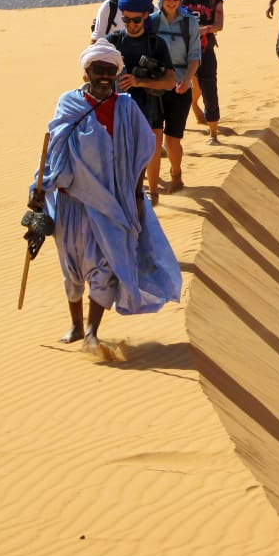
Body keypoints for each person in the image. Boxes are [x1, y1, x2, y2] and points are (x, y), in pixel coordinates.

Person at [25, 38, 181, 356]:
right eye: (98, 70)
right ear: (86, 73)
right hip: (71, 202)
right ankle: (75, 326)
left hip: (113, 203)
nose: (104, 76)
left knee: (105, 266)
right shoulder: (68, 104)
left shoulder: (126, 108)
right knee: (71, 267)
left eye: (109, 70)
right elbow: (52, 150)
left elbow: (143, 149)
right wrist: (38, 188)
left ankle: (92, 332)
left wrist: (137, 193)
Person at [106, 0, 176, 204]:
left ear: (146, 16)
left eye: (136, 20)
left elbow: (170, 81)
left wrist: (140, 82)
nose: (131, 24)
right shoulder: (113, 42)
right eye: (126, 19)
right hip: (118, 109)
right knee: (120, 154)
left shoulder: (156, 44)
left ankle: (153, 194)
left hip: (150, 106)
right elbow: (88, 73)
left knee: (153, 150)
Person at [149, 0, 201, 196]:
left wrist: (188, 79)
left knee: (172, 140)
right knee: (154, 139)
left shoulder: (190, 23)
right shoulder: (150, 22)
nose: (172, 1)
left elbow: (195, 56)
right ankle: (152, 190)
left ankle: (176, 174)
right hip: (153, 87)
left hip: (180, 87)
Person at [182, 0, 225, 145]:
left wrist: (203, 30)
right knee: (176, 87)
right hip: (181, 50)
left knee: (209, 87)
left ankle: (213, 134)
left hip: (205, 49)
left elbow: (219, 24)